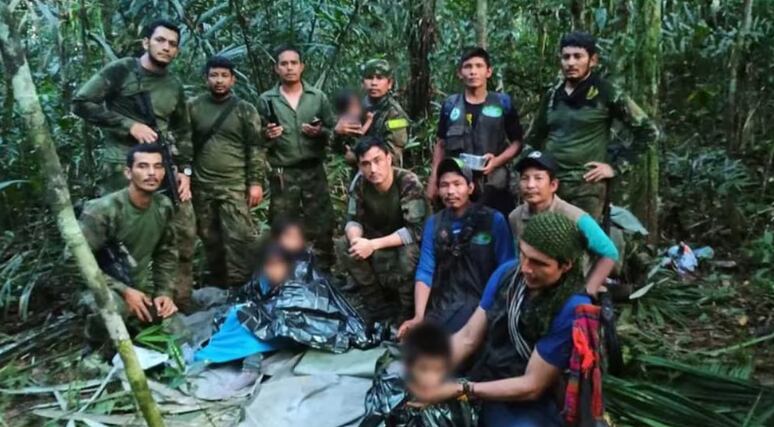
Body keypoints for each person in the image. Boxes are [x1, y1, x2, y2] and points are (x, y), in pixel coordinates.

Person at [409, 212, 593, 427]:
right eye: (523, 254)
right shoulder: (507, 274)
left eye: (539, 263)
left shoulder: (571, 308)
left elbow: (532, 385)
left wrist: (462, 390)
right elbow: (468, 337)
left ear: (566, 265)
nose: (525, 268)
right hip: (489, 374)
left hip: (530, 399)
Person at [73, 19, 196, 312]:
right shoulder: (122, 71)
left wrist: (185, 171)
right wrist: (129, 125)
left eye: (172, 44)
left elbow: (183, 131)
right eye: (160, 40)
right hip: (122, 166)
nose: (166, 47)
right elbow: (81, 103)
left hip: (163, 166)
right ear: (146, 42)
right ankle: (122, 303)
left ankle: (174, 301)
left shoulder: (173, 85)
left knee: (181, 230)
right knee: (120, 237)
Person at [525, 31, 659, 221]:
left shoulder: (607, 92)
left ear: (592, 60)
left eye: (577, 56)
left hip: (586, 187)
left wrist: (615, 167)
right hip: (551, 186)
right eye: (566, 57)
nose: (571, 63)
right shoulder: (553, 95)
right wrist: (532, 174)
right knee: (544, 235)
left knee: (582, 237)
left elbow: (648, 132)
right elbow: (533, 139)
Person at [398, 158, 514, 336]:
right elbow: (425, 270)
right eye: (444, 185)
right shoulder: (434, 223)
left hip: (483, 305)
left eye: (457, 184)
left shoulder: (493, 220)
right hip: (444, 304)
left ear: (470, 188)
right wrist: (418, 316)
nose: (450, 191)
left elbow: (507, 269)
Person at [79, 145, 179, 339]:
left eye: (158, 166)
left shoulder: (163, 206)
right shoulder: (103, 211)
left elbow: (166, 253)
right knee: (113, 309)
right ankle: (97, 348)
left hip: (138, 286)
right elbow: (74, 262)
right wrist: (124, 291)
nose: (151, 173)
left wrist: (164, 293)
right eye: (143, 166)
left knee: (176, 331)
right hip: (99, 287)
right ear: (128, 172)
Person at [257, 45, 337, 269]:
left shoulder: (317, 97)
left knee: (321, 222)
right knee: (282, 223)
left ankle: (323, 271)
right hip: (283, 172)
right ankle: (285, 272)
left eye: (294, 63)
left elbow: (334, 131)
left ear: (302, 67)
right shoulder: (266, 99)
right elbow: (256, 137)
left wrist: (319, 132)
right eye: (284, 64)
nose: (289, 68)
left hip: (313, 170)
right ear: (276, 68)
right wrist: (267, 134)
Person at [188, 56, 264, 288]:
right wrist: (185, 175)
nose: (219, 80)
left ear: (233, 80)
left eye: (224, 76)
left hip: (234, 185)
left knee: (240, 238)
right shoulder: (193, 107)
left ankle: (241, 286)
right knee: (210, 239)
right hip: (202, 185)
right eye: (214, 75)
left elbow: (256, 147)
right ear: (206, 78)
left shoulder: (245, 110)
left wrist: (255, 182)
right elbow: (183, 143)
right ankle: (218, 286)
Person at [335, 137, 428, 324]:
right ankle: (376, 304)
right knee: (344, 244)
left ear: (389, 158)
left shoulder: (407, 182)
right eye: (366, 164)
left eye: (377, 160)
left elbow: (415, 230)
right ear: (360, 166)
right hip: (375, 237)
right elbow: (352, 220)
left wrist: (372, 245)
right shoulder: (360, 183)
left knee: (409, 253)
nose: (373, 169)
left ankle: (407, 309)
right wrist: (356, 241)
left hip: (403, 241)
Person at [428, 47, 524, 216]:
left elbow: (517, 142)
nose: (473, 72)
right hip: (458, 186)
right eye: (468, 66)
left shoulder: (502, 103)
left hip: (493, 184)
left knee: (495, 225)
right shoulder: (450, 105)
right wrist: (434, 178)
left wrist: (497, 161)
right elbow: (441, 143)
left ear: (488, 72)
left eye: (479, 66)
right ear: (460, 73)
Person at [510, 150, 619, 295]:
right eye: (525, 178)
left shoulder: (574, 217)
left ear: (553, 185)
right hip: (533, 284)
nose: (530, 185)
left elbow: (609, 253)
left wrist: (589, 290)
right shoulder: (515, 216)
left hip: (569, 288)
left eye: (538, 178)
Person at [335, 59, 410, 166]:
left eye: (379, 78)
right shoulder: (355, 106)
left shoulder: (396, 116)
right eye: (369, 78)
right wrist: (337, 133)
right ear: (363, 82)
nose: (374, 83)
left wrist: (356, 157)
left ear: (389, 83)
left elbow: (393, 155)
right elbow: (336, 147)